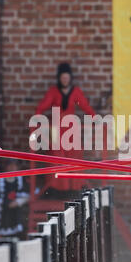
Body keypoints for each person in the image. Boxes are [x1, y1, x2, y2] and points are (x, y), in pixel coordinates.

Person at [35, 63, 96, 198]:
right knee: (56, 158)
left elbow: (86, 107)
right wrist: (39, 121)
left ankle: (74, 188)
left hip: (70, 131)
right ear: (59, 78)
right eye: (63, 77)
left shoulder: (75, 92)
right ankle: (56, 189)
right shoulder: (53, 91)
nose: (65, 80)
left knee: (74, 158)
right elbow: (41, 107)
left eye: (67, 77)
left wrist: (95, 119)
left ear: (70, 78)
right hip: (57, 131)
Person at [0, 160, 30, 238]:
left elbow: (26, 194)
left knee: (16, 231)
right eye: (10, 165)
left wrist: (17, 202)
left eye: (14, 165)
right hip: (1, 209)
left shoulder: (21, 179)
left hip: (15, 210)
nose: (12, 168)